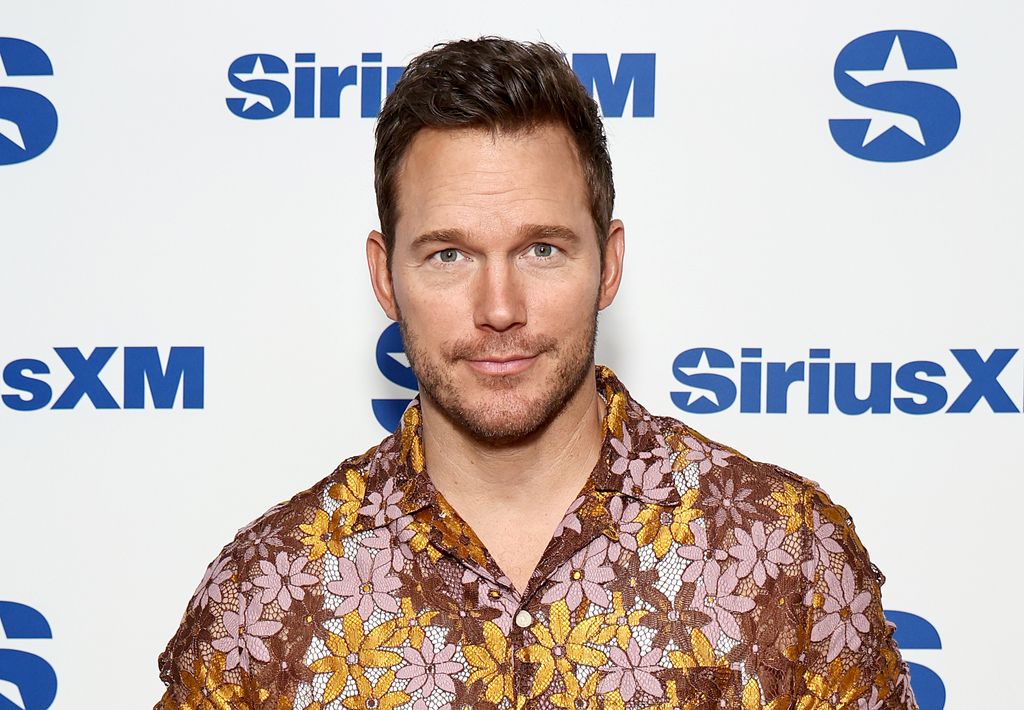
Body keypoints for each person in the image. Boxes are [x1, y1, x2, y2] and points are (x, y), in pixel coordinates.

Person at [156, 37, 918, 710]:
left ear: (609, 264)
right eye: (448, 254)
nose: (499, 308)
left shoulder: (783, 555)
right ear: (386, 279)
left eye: (542, 249)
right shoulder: (268, 596)